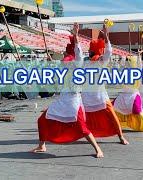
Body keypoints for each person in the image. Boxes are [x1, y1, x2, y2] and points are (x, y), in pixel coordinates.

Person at [31, 23, 104, 158]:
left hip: (73, 102)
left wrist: (76, 35)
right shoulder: (64, 68)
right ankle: (42, 145)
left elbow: (78, 52)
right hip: (62, 100)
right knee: (42, 120)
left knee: (82, 127)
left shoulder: (78, 64)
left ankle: (98, 149)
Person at [81, 23, 129, 145]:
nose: (89, 52)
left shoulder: (101, 62)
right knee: (84, 119)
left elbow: (109, 51)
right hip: (87, 97)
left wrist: (106, 36)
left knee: (112, 116)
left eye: (91, 50)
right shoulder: (85, 63)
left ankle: (121, 136)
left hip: (99, 96)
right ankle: (87, 135)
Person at [114, 53, 143, 133]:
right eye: (127, 62)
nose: (128, 63)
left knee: (138, 110)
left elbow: (140, 66)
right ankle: (115, 125)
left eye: (129, 62)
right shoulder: (123, 71)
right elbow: (120, 65)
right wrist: (123, 58)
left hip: (133, 95)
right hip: (123, 95)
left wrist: (139, 56)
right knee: (115, 108)